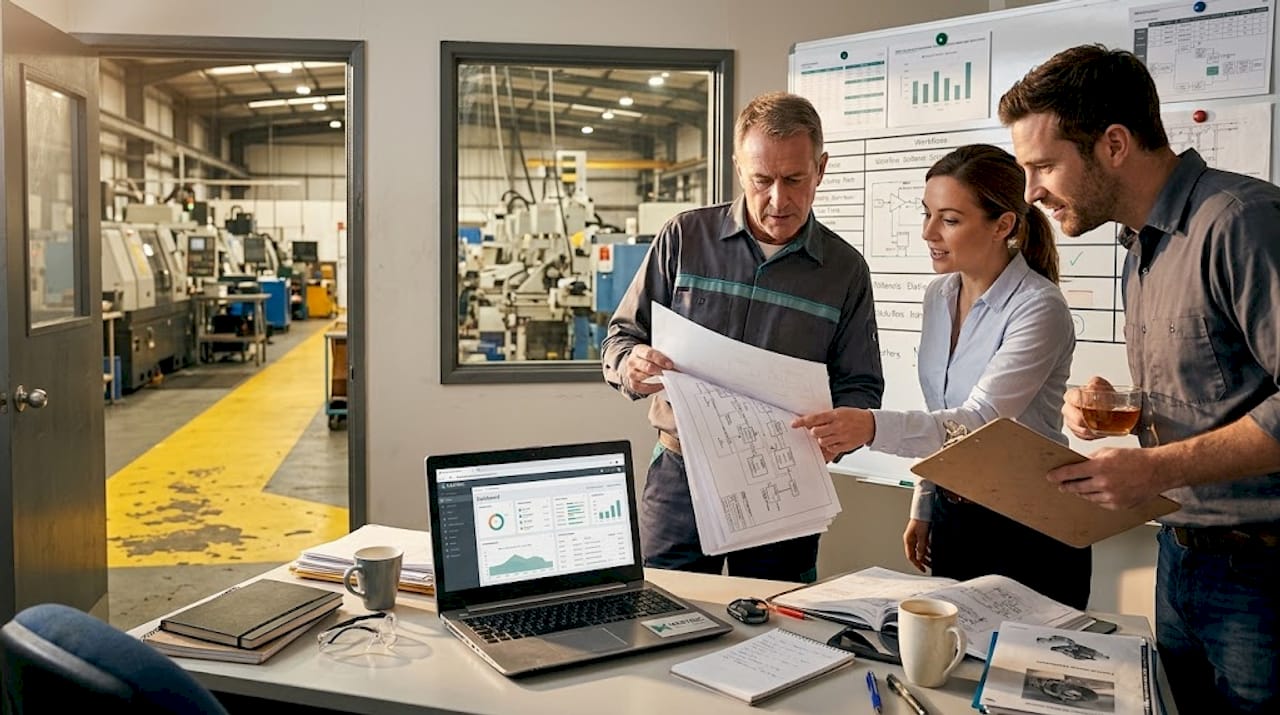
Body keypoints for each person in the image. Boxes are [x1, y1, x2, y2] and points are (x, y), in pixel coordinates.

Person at [998, 44, 1280, 713]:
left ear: (1114, 144)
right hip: (1182, 559)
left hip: (1260, 577)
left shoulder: (1240, 222)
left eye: (1042, 165)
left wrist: (1153, 469)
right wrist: (1118, 405)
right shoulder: (1140, 246)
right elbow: (1222, 388)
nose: (1031, 191)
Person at [601, 91, 884, 583]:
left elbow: (861, 385)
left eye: (795, 179)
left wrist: (843, 430)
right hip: (680, 477)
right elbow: (621, 338)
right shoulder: (685, 238)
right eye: (762, 180)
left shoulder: (845, 271)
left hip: (785, 483)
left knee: (776, 623)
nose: (779, 199)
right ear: (738, 168)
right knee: (662, 612)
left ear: (821, 168)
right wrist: (633, 365)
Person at [791, 144, 1090, 608]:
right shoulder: (939, 295)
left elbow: (979, 424)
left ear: (1004, 225)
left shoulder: (1039, 307)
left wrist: (871, 426)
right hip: (958, 518)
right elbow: (942, 412)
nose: (929, 232)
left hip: (1032, 525)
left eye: (949, 219)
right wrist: (927, 501)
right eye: (927, 214)